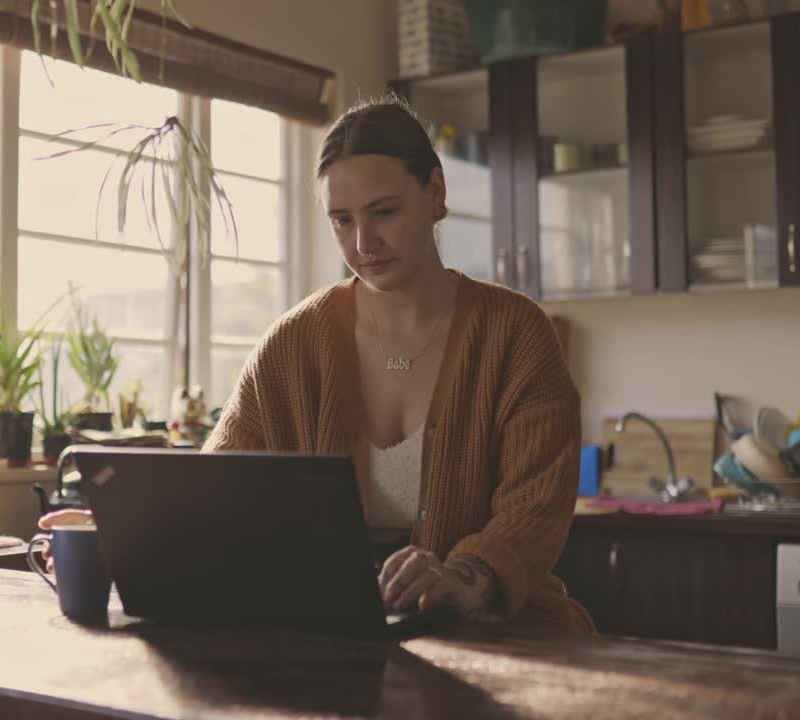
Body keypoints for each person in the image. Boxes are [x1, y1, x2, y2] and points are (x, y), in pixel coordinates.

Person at [40, 95, 591, 633]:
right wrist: (114, 532)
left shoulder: (516, 333)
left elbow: (534, 510)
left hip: (507, 640)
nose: (363, 242)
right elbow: (217, 492)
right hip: (338, 643)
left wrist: (462, 577)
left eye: (385, 212)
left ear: (437, 191)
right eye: (341, 221)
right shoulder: (293, 344)